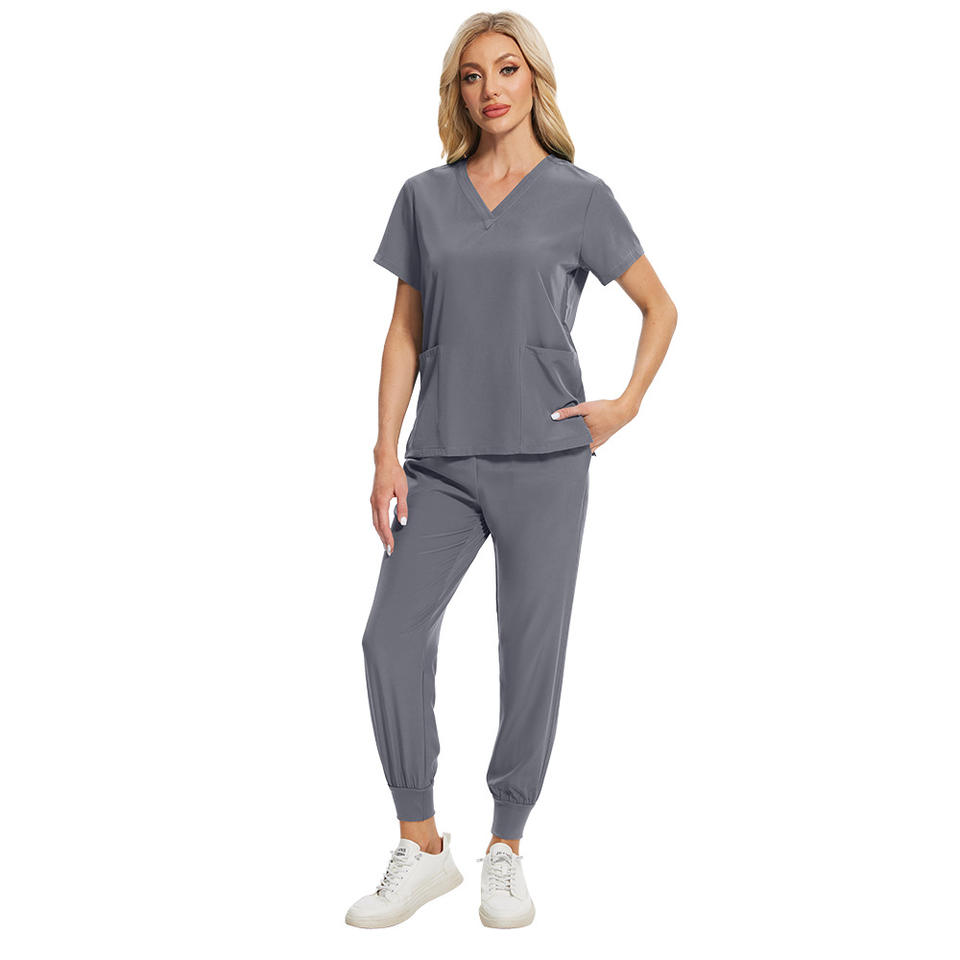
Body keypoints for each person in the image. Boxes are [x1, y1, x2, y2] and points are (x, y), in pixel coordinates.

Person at [346, 12, 677, 930]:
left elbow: (660, 307)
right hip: (441, 461)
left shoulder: (581, 197)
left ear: (535, 79)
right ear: (456, 91)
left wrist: (625, 404)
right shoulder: (424, 196)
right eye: (471, 75)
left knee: (530, 651)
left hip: (547, 459)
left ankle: (507, 846)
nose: (489, 89)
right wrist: (384, 452)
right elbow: (403, 332)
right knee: (388, 638)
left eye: (505, 69)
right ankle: (422, 845)